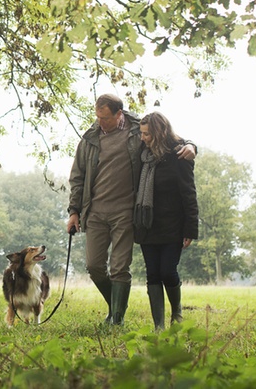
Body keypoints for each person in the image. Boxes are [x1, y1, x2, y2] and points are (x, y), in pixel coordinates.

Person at [66, 94, 195, 326]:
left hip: (125, 212)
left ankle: (117, 319)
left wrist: (191, 145)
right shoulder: (89, 140)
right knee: (94, 266)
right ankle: (115, 305)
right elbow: (78, 177)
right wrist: (74, 210)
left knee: (119, 268)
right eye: (97, 117)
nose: (99, 122)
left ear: (119, 114)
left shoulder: (137, 132)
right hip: (95, 212)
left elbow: (166, 138)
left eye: (104, 118)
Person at [134, 111, 199, 330]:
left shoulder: (178, 154)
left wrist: (190, 228)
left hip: (173, 225)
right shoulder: (142, 154)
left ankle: (177, 313)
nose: (143, 138)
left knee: (167, 271)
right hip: (146, 224)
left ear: (160, 132)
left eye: (147, 135)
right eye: (142, 134)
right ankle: (158, 325)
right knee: (152, 273)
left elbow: (189, 193)